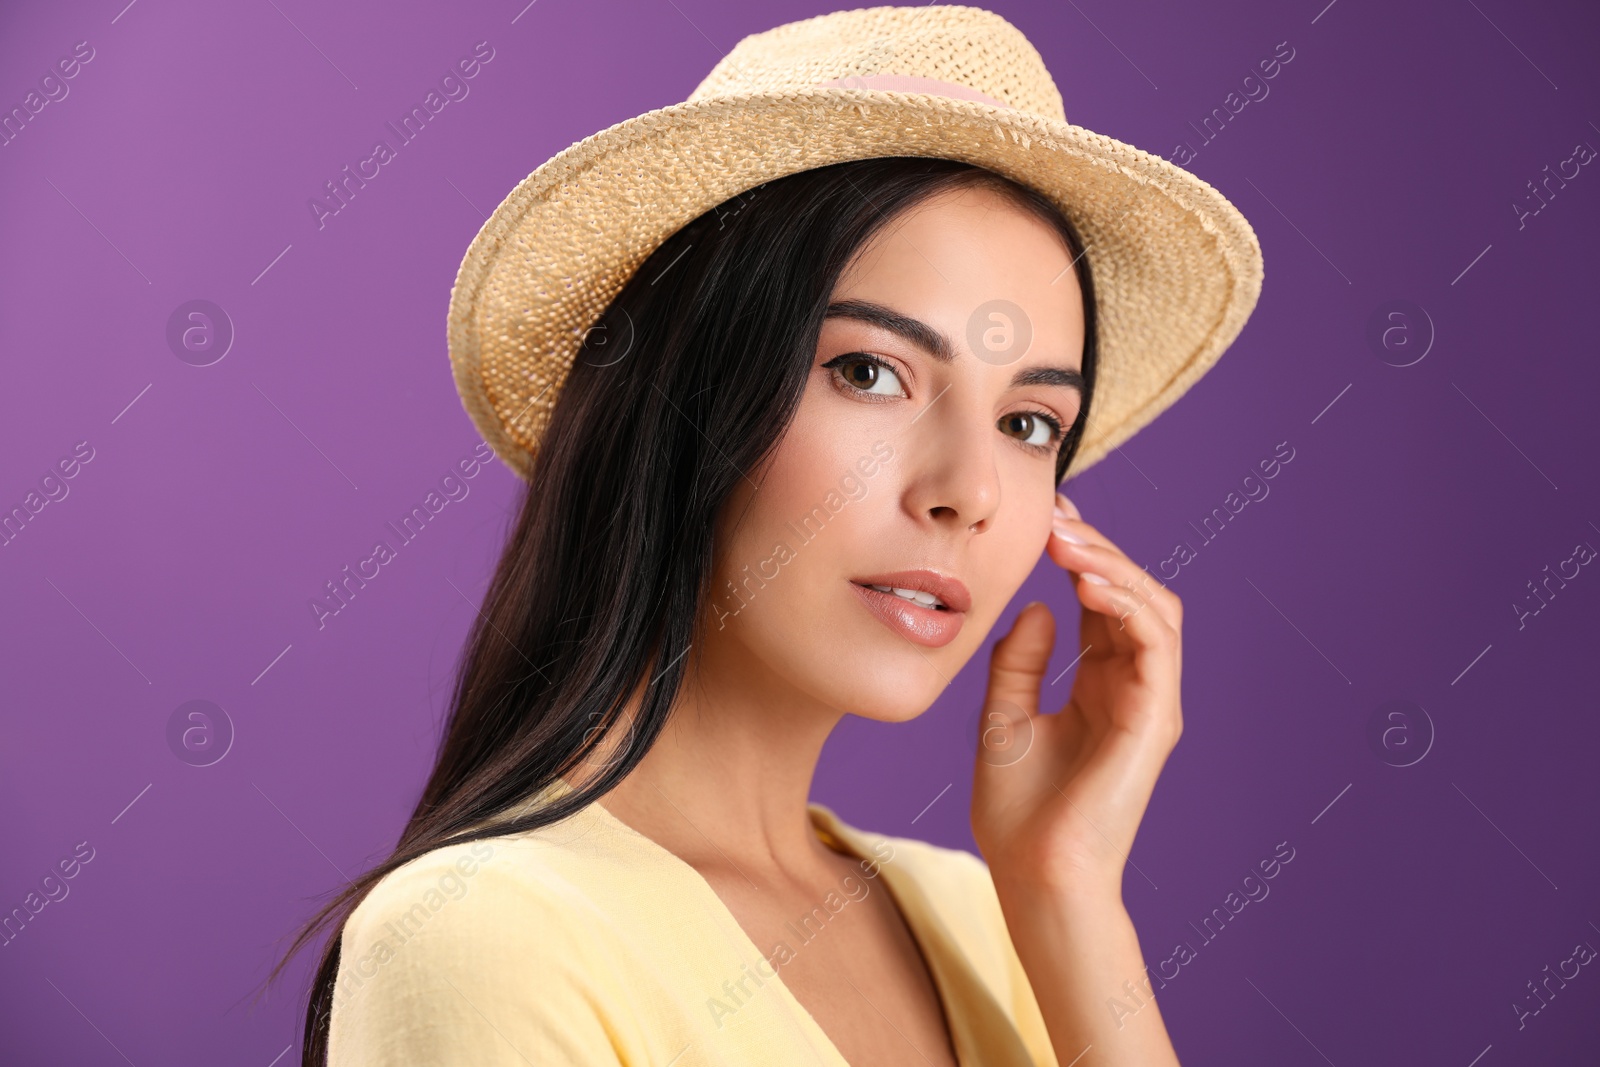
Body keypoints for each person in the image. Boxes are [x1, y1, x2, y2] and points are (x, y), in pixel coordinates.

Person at [274, 7, 1263, 1065]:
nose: (968, 489)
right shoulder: (485, 933)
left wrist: (1066, 893)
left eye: (1028, 423)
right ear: (682, 400)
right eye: (869, 370)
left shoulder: (984, 913)